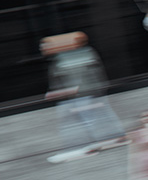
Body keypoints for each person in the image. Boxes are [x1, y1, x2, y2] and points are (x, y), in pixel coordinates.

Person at [42, 32, 127, 163]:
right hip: (80, 94)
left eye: (46, 46)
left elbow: (82, 77)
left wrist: (69, 91)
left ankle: (81, 146)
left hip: (83, 94)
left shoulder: (75, 56)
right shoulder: (63, 57)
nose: (43, 49)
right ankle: (115, 136)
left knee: (82, 120)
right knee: (94, 117)